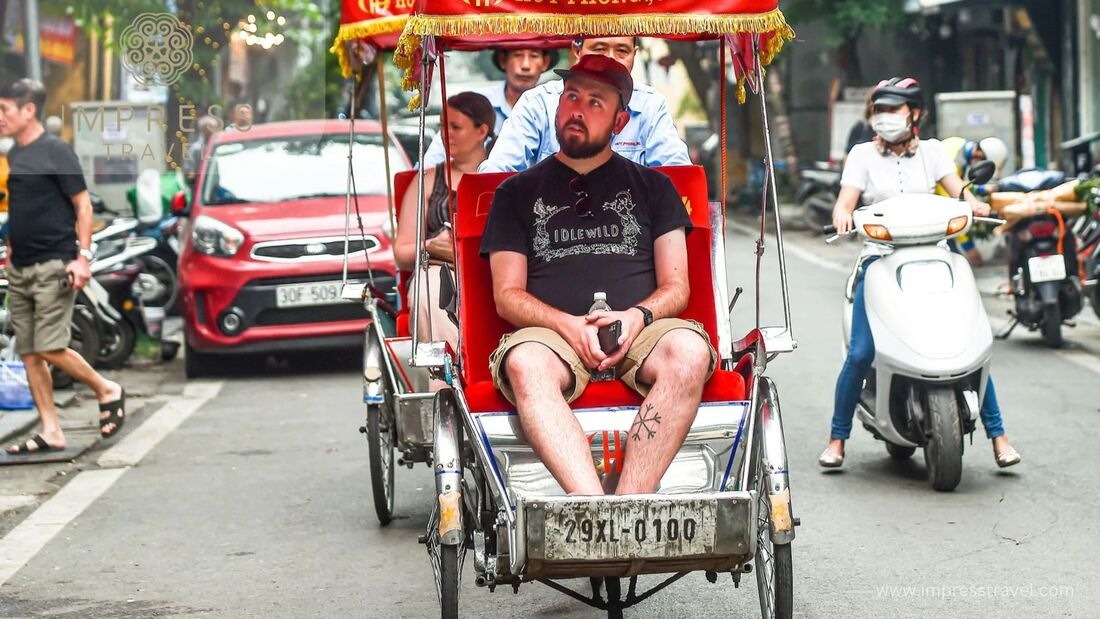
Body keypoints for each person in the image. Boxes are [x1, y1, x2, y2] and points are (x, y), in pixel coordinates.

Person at [480, 55, 715, 495]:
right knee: (524, 362)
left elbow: (677, 287)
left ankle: (630, 506)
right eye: (571, 97)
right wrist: (567, 325)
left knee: (688, 351)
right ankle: (588, 507)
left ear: (620, 120)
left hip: (642, 331)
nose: (577, 110)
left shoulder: (655, 188)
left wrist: (634, 318)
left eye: (595, 102)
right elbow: (507, 296)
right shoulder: (515, 193)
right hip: (549, 337)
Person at [819, 77, 1020, 469]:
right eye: (880, 110)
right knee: (861, 350)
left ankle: (999, 435)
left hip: (935, 257)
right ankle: (837, 437)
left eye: (893, 110)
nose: (885, 118)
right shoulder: (861, 155)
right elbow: (846, 202)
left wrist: (975, 204)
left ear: (915, 114)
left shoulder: (932, 153)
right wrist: (842, 217)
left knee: (968, 345)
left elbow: (958, 190)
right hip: (880, 260)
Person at [0, 79, 126, 455]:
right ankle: (51, 429)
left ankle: (107, 389)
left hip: (54, 264)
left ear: (29, 110)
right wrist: (9, 251)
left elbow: (83, 206)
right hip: (20, 267)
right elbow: (22, 209)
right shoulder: (16, 156)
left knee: (51, 346)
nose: (0, 118)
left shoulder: (56, 151)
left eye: (5, 110)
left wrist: (82, 258)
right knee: (29, 351)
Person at [480, 37, 691, 173]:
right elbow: (498, 171)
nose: (610, 61)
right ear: (576, 51)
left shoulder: (650, 106)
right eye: (599, 48)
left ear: (619, 121)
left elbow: (678, 175)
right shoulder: (539, 103)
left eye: (622, 51)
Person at [395, 92, 496, 351]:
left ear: (481, 131)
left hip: (492, 271)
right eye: (442, 126)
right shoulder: (427, 180)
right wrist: (428, 245)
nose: (445, 134)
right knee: (432, 292)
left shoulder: (502, 179)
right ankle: (444, 379)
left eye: (455, 127)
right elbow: (402, 251)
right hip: (437, 272)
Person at [420, 47, 557, 169]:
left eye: (534, 56)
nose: (525, 65)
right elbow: (433, 160)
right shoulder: (474, 104)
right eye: (517, 55)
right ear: (503, 60)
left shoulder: (556, 106)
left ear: (545, 62)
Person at [937, 136, 1010, 265]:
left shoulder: (958, 144)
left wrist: (981, 189)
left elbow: (957, 184)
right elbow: (952, 209)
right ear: (979, 154)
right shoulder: (953, 162)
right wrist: (969, 248)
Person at [184, 115, 220, 182]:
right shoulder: (196, 148)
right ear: (202, 130)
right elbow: (189, 169)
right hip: (203, 183)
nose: (209, 130)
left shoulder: (220, 145)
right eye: (206, 128)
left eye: (211, 127)